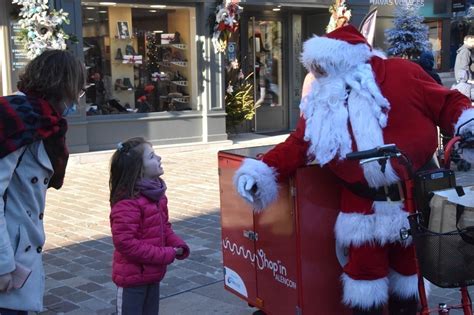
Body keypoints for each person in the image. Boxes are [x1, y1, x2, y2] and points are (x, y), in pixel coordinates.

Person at [234, 25, 474, 315]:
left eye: (326, 67)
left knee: (409, 273)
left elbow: (447, 102)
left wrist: (466, 123)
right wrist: (263, 170)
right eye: (317, 69)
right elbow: (299, 143)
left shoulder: (401, 73)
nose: (321, 75)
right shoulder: (322, 101)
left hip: (410, 200)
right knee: (364, 276)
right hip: (361, 207)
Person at [0, 50, 86, 314]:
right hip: (9, 257)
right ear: (63, 86)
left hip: (21, 248)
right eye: (77, 91)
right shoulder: (18, 120)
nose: (77, 100)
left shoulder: (41, 121)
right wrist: (2, 265)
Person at [109, 137, 190, 315]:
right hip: (132, 279)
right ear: (139, 169)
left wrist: (177, 243)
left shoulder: (157, 195)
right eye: (152, 156)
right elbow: (126, 244)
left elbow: (164, 227)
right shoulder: (127, 203)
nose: (159, 158)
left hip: (152, 274)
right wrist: (165, 254)